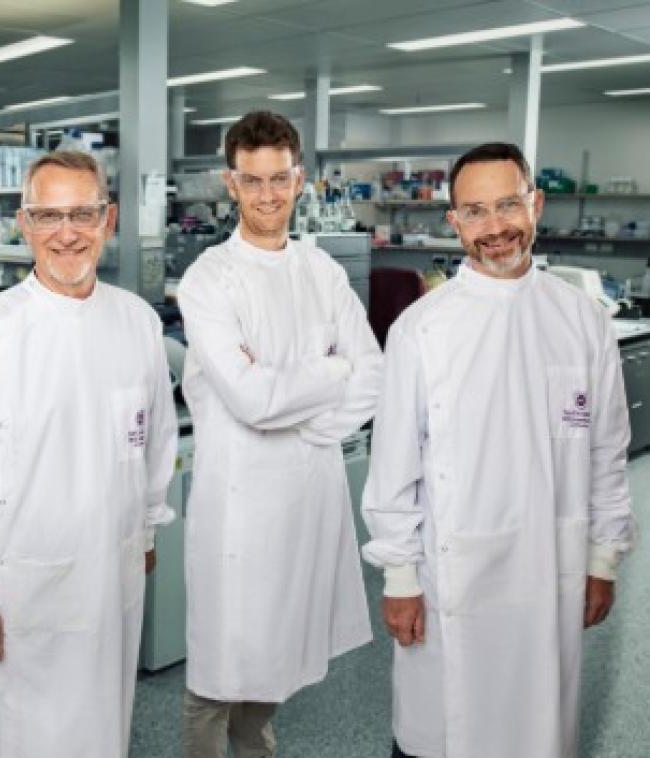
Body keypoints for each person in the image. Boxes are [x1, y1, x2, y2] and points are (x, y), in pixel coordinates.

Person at [362, 142, 636, 758]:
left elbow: (606, 452)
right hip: (453, 581)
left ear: (535, 205)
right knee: (443, 734)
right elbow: (393, 471)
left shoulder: (582, 320)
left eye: (508, 205)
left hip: (552, 566)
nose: (495, 228)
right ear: (454, 222)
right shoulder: (423, 329)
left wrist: (603, 560)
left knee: (538, 732)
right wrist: (400, 577)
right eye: (476, 212)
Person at [0, 150, 178, 758]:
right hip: (20, 588)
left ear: (108, 220)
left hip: (112, 576)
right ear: (25, 223)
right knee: (19, 740)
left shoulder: (138, 323)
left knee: (103, 732)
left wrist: (143, 534)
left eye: (83, 214)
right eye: (49, 216)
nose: (68, 233)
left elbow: (153, 443)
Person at [177, 110, 382, 758]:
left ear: (301, 179)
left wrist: (305, 412)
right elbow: (250, 399)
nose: (268, 194)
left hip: (306, 497)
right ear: (229, 183)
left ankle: (256, 745)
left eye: (280, 179)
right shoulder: (209, 277)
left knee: (281, 656)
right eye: (253, 180)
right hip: (237, 507)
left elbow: (374, 374)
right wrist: (331, 369)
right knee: (218, 672)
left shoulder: (321, 272)